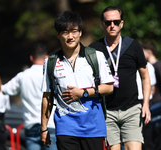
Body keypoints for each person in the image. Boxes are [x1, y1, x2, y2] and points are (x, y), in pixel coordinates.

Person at [40, 11, 114, 150]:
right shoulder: (50, 62)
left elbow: (109, 87)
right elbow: (47, 96)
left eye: (74, 31)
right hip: (65, 127)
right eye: (65, 32)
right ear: (58, 34)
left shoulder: (96, 56)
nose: (70, 36)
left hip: (94, 127)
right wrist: (43, 128)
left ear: (80, 32)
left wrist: (83, 93)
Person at [89, 6, 151, 150]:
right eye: (108, 22)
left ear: (121, 23)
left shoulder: (134, 45)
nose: (112, 25)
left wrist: (146, 104)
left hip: (131, 108)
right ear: (102, 24)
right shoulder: (93, 49)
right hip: (106, 111)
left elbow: (145, 77)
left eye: (116, 22)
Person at [2, 44, 57, 150]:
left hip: (31, 124)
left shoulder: (23, 76)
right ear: (47, 57)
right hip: (50, 124)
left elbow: (5, 90)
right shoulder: (53, 75)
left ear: (31, 58)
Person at [136, 62, 156, 150]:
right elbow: (153, 88)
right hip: (145, 100)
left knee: (144, 134)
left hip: (140, 100)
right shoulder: (149, 65)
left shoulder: (148, 66)